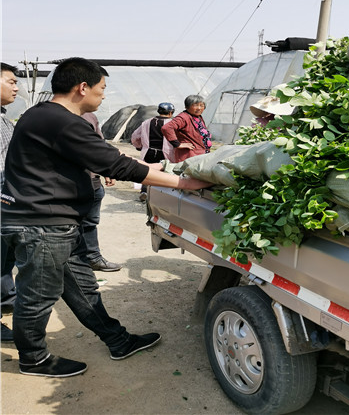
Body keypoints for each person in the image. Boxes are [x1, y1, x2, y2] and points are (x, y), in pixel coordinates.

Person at [0, 57, 210, 378]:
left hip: (52, 223)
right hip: (43, 225)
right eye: (101, 89)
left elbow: (105, 157)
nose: (104, 96)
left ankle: (117, 340)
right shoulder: (63, 122)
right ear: (82, 88)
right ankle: (34, 359)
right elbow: (116, 166)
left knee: (83, 287)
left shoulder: (40, 115)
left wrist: (156, 168)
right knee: (38, 295)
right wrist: (185, 182)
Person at [80, 112, 121, 272]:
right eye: (100, 89)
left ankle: (92, 258)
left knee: (90, 223)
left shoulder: (90, 116)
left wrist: (107, 171)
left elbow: (100, 147)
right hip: (72, 185)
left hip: (93, 182)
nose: (103, 96)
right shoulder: (58, 116)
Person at [0, 62, 19, 343]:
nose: (16, 87)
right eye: (11, 81)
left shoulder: (4, 117)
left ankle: (6, 298)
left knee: (5, 257)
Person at [131, 102, 175, 202]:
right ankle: (161, 194)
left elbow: (135, 136)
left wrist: (139, 146)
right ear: (170, 112)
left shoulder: (147, 122)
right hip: (165, 153)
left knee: (147, 172)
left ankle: (144, 191)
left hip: (149, 152)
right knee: (164, 172)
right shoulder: (172, 124)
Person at [161, 94, 212, 163]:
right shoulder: (183, 117)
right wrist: (177, 144)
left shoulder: (198, 117)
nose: (199, 108)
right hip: (190, 156)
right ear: (187, 107)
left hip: (200, 154)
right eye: (195, 105)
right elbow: (167, 128)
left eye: (201, 105)